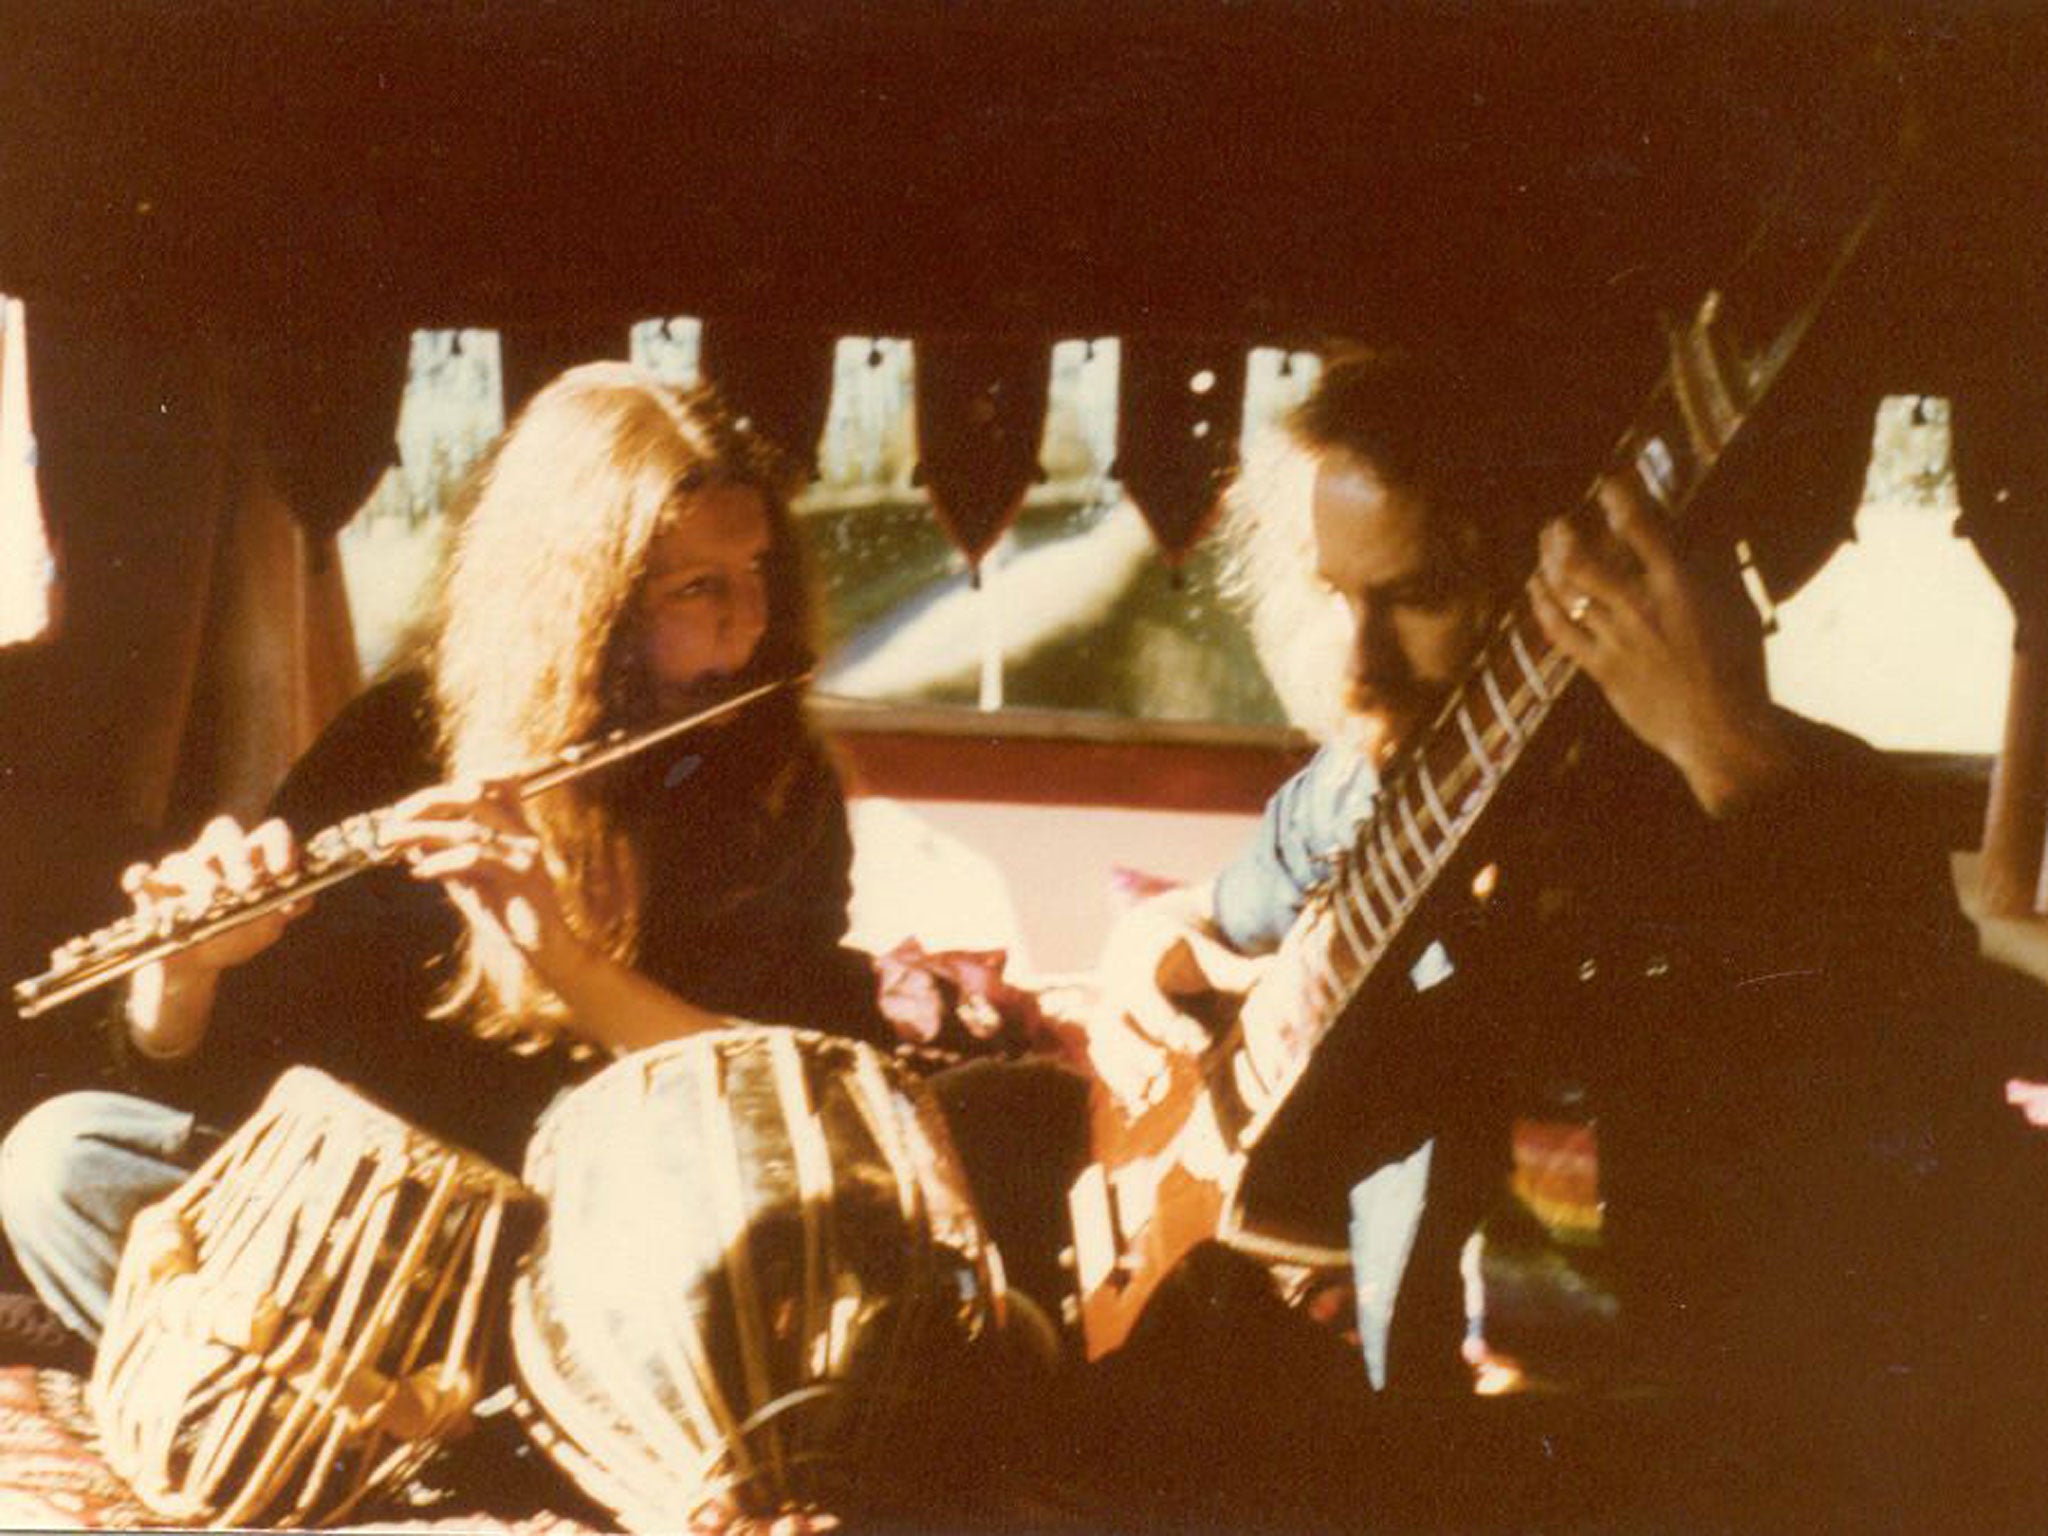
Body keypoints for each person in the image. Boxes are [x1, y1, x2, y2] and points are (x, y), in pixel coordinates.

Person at [1080, 347, 1999, 1451]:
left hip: (1682, 1457)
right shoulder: (1357, 785)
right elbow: (1213, 925)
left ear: (1557, 584)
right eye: (1339, 597)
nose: (1358, 669)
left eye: (1417, 598)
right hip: (1404, 1430)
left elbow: (1927, 1135)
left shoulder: (1798, 803)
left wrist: (1731, 766)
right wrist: (1143, 944)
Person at [0, 362, 890, 1345]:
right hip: (382, 1244)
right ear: (581, 605)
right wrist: (186, 979)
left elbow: (797, 1099)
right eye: (698, 587)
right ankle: (416, 1392)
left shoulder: (779, 785)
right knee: (58, 1160)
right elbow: (249, 1085)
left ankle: (367, 1388)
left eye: (755, 572)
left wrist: (564, 962)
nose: (749, 619)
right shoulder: (401, 739)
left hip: (618, 1252)